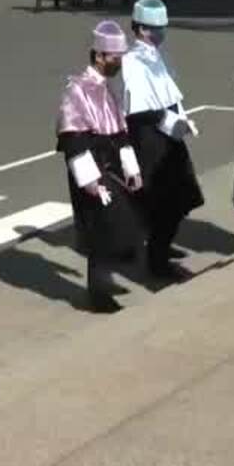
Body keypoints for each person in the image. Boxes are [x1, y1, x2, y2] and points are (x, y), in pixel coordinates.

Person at [56, 21, 147, 313]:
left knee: (122, 224)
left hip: (112, 166)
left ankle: (106, 279)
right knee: (101, 230)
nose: (118, 63)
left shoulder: (108, 89)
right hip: (92, 169)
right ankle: (98, 293)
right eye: (115, 58)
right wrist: (89, 180)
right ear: (99, 56)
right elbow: (73, 139)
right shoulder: (77, 90)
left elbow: (120, 134)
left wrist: (132, 169)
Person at [121, 0, 202, 282]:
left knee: (181, 194)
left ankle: (159, 244)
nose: (161, 34)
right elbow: (139, 108)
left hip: (170, 134)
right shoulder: (131, 60)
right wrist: (169, 122)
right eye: (156, 29)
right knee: (162, 198)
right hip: (149, 138)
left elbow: (170, 93)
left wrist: (182, 119)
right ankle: (156, 257)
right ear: (142, 29)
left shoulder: (157, 55)